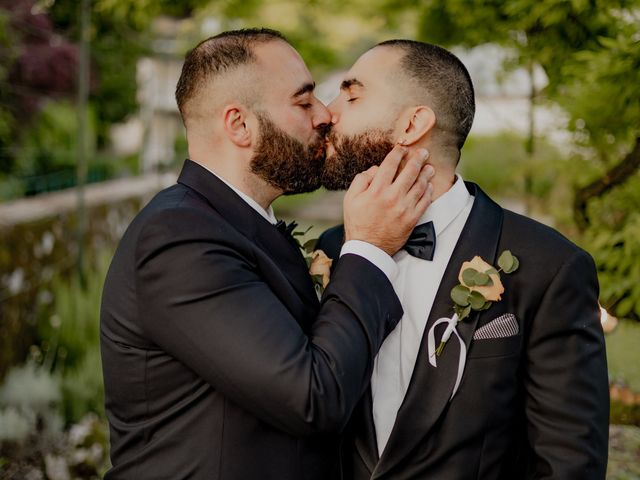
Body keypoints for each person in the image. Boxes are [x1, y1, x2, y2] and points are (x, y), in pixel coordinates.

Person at [100, 29, 434, 480]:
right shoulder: (177, 239)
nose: (325, 116)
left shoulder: (236, 224)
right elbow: (314, 398)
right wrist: (370, 247)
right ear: (239, 125)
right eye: (303, 102)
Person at [317, 39, 609, 479]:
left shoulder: (549, 266)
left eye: (352, 95)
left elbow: (568, 462)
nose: (327, 112)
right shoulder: (335, 248)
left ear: (413, 122)